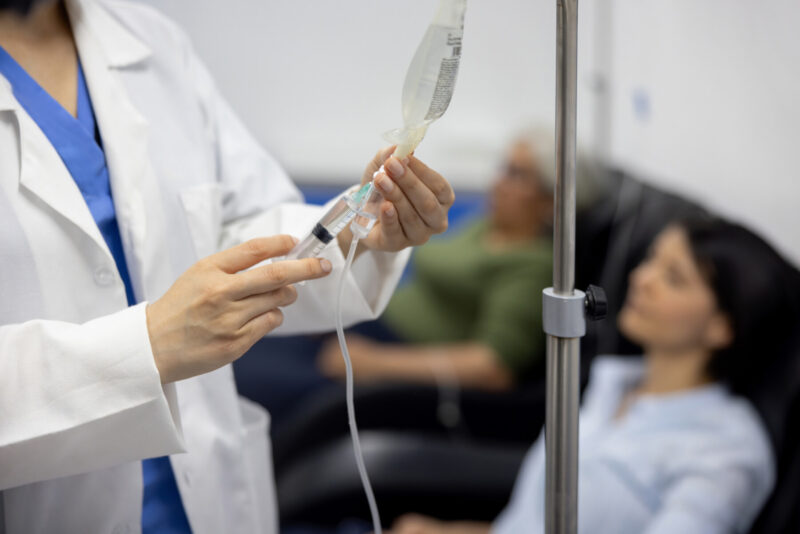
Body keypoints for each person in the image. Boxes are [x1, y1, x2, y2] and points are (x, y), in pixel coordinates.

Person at [0, 0, 455, 533]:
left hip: (212, 494)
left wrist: (359, 229)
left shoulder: (152, 41)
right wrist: (142, 348)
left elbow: (241, 222)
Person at [388, 216, 797, 534]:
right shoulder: (612, 386)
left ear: (722, 326)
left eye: (673, 278)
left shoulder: (726, 453)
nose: (642, 279)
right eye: (652, 259)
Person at [234, 131, 605, 429]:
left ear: (550, 201)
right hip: (358, 327)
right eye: (503, 167)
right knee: (246, 345)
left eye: (517, 175)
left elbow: (493, 367)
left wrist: (374, 364)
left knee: (249, 380)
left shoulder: (533, 264)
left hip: (389, 361)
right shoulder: (486, 226)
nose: (498, 182)